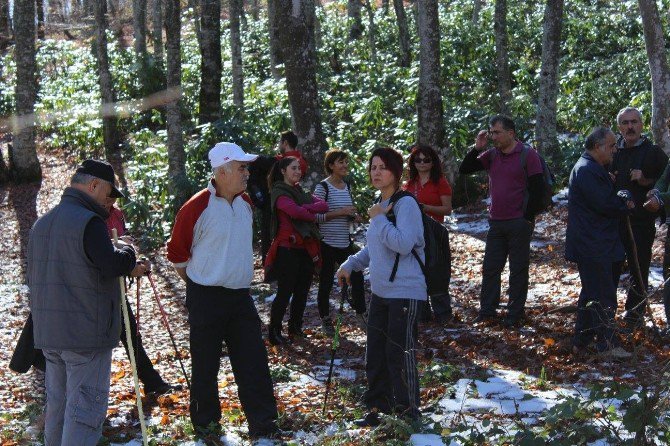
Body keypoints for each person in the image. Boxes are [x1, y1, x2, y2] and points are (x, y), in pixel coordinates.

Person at [27, 159, 149, 446]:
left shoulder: (42, 224)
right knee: (84, 412)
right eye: (109, 192)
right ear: (93, 185)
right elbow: (110, 264)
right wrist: (128, 252)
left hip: (49, 335)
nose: (110, 201)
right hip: (84, 335)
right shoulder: (89, 221)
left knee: (58, 407)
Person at [166, 142, 280, 440]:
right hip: (205, 296)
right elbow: (177, 253)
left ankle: (264, 424)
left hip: (240, 297)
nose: (247, 172)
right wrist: (200, 281)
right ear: (223, 171)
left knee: (253, 360)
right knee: (205, 364)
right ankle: (206, 426)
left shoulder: (246, 204)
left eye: (246, 167)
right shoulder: (196, 206)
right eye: (242, 167)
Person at [336, 147, 426, 426]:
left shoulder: (405, 204)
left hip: (405, 292)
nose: (376, 172)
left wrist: (378, 218)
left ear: (396, 173)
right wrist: (351, 264)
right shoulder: (380, 204)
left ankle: (408, 412)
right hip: (381, 293)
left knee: (398, 353)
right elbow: (375, 249)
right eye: (373, 167)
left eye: (382, 167)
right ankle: (378, 408)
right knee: (375, 353)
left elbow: (403, 243)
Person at [458, 115, 545, 328]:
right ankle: (487, 312)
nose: (493, 136)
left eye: (497, 132)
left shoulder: (527, 155)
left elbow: (538, 189)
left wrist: (527, 217)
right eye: (491, 132)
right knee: (491, 268)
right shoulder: (492, 155)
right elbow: (465, 169)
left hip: (518, 222)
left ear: (510, 133)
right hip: (496, 222)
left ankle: (515, 314)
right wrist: (477, 147)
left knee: (518, 269)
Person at [565, 127, 633, 359]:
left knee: (591, 294)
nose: (614, 150)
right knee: (603, 295)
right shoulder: (587, 170)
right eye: (611, 146)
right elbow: (605, 204)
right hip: (593, 244)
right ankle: (607, 344)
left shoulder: (592, 169)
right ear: (598, 147)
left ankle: (581, 342)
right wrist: (624, 204)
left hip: (597, 242)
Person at [104, 197, 175, 396]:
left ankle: (151, 381)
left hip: (117, 292)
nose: (111, 199)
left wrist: (136, 264)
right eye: (108, 193)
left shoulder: (117, 214)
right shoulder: (90, 217)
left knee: (131, 334)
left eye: (114, 195)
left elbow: (126, 249)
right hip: (97, 294)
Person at [608, 107, 668, 329]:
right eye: (625, 123)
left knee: (638, 268)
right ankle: (606, 312)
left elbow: (665, 185)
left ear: (642, 125)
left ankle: (634, 316)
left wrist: (645, 181)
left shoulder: (653, 152)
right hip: (614, 222)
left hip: (641, 222)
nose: (630, 127)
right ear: (619, 127)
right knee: (611, 266)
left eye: (634, 122)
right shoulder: (612, 151)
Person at [265, 156, 328, 345]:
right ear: (283, 171)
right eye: (294, 168)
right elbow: (295, 212)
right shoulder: (279, 192)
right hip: (287, 249)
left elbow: (323, 205)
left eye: (299, 168)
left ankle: (295, 327)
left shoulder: (300, 191)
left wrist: (303, 207)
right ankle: (274, 331)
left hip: (305, 247)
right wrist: (307, 209)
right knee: (285, 291)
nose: (298, 172)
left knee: (302, 290)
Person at [313, 149, 367, 336]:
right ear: (330, 166)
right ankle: (325, 319)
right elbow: (315, 216)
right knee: (326, 282)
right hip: (327, 243)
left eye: (346, 162)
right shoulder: (323, 188)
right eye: (340, 162)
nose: (344, 166)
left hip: (345, 241)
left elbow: (347, 213)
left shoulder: (347, 185)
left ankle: (361, 313)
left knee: (358, 276)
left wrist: (354, 217)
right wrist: (341, 212)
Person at [403, 144, 453, 323]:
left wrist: (425, 208)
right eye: (418, 160)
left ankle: (443, 313)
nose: (422, 163)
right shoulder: (408, 184)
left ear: (433, 162)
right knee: (417, 272)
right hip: (413, 234)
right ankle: (421, 314)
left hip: (435, 233)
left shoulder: (440, 181)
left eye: (426, 160)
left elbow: (447, 209)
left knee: (437, 272)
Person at [248, 130, 309, 264]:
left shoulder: (280, 162)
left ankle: (270, 264)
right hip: (293, 201)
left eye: (280, 142)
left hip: (277, 202)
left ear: (285, 143)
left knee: (271, 233)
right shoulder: (302, 162)